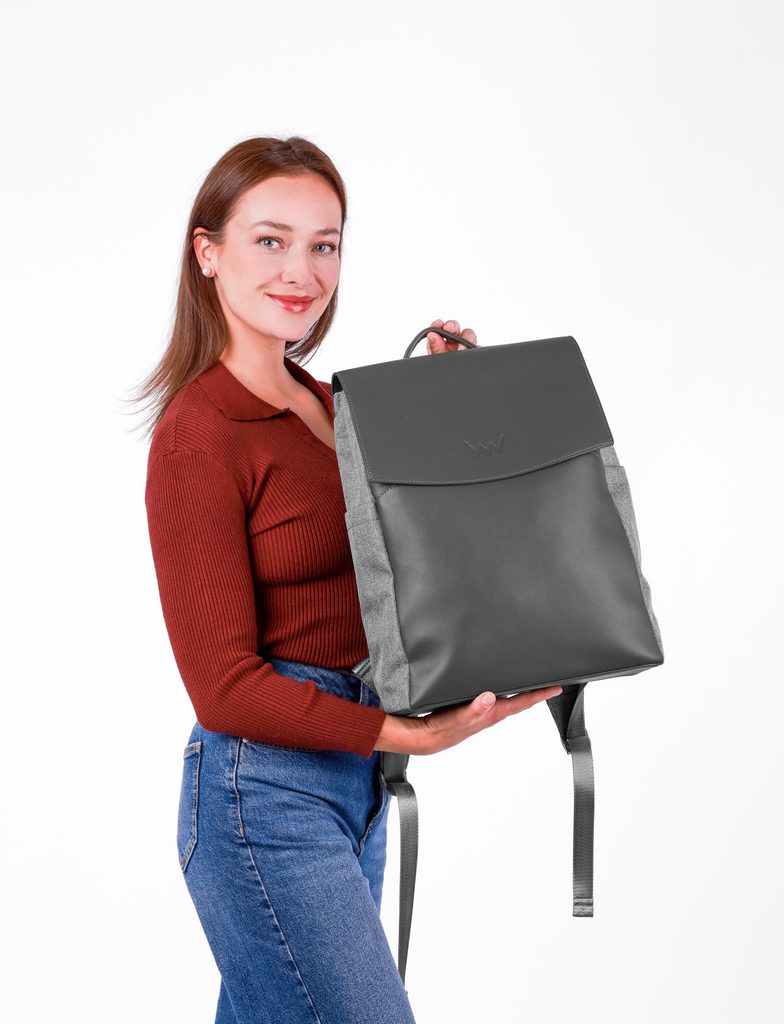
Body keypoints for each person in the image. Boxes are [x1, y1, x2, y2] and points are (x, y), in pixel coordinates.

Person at [138, 135, 563, 1024]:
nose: (301, 271)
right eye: (270, 239)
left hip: (353, 791)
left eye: (324, 244)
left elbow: (400, 560)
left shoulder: (331, 405)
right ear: (207, 251)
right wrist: (408, 736)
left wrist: (444, 404)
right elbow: (223, 687)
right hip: (265, 796)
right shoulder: (198, 434)